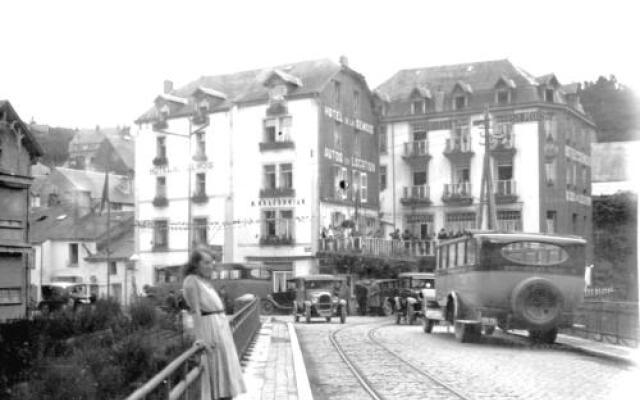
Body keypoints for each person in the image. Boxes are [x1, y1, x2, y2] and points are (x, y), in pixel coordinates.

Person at [182, 250, 246, 400]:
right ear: (195, 264)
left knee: (226, 376)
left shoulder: (204, 281)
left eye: (212, 262)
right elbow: (196, 311)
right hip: (209, 328)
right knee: (216, 375)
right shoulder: (191, 281)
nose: (211, 266)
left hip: (221, 327)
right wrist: (200, 339)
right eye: (206, 262)